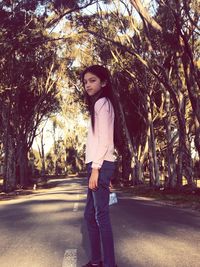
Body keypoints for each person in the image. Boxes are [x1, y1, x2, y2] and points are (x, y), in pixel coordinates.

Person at [81, 65, 118, 267]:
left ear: (104, 82)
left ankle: (109, 264)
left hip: (98, 165)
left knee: (100, 216)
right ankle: (96, 261)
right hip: (99, 165)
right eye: (86, 81)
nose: (88, 84)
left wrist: (97, 169)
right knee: (90, 215)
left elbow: (104, 140)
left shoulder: (102, 104)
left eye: (92, 80)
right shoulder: (101, 104)